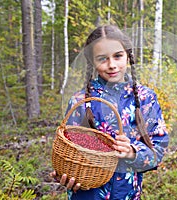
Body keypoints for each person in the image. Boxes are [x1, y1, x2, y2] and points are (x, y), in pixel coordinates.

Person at [51, 25, 169, 200]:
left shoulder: (146, 99)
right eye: (102, 59)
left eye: (118, 56)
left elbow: (158, 151)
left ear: (128, 55)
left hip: (127, 194)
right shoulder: (80, 102)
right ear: (92, 62)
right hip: (86, 195)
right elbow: (68, 150)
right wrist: (65, 175)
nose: (112, 65)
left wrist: (132, 152)